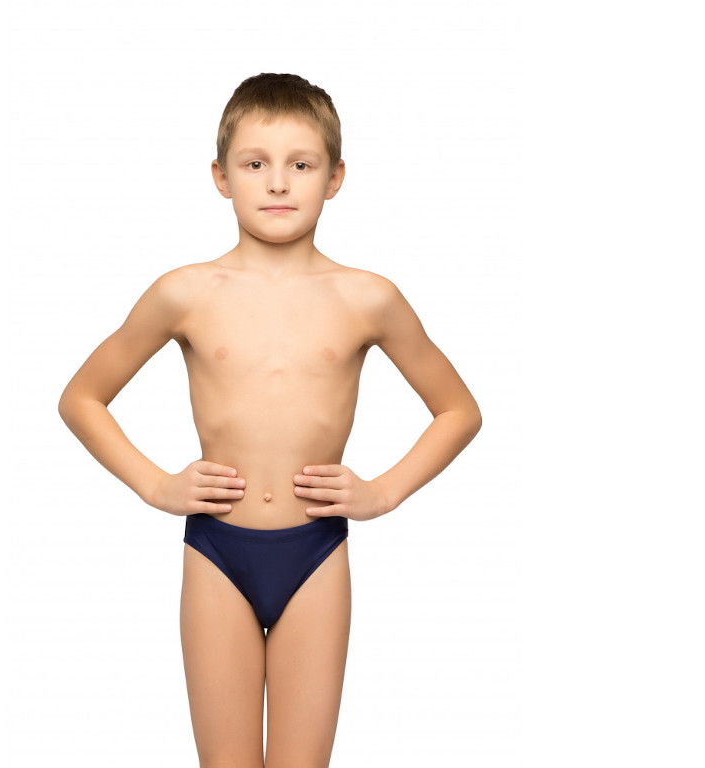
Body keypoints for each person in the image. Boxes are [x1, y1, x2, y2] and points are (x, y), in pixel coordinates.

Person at [58, 72, 482, 768]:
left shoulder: (368, 297)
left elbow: (459, 410)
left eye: (301, 165)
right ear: (221, 177)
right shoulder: (185, 292)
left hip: (316, 552)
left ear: (335, 177)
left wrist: (383, 492)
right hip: (216, 552)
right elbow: (82, 397)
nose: (278, 183)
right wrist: (156, 485)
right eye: (256, 164)